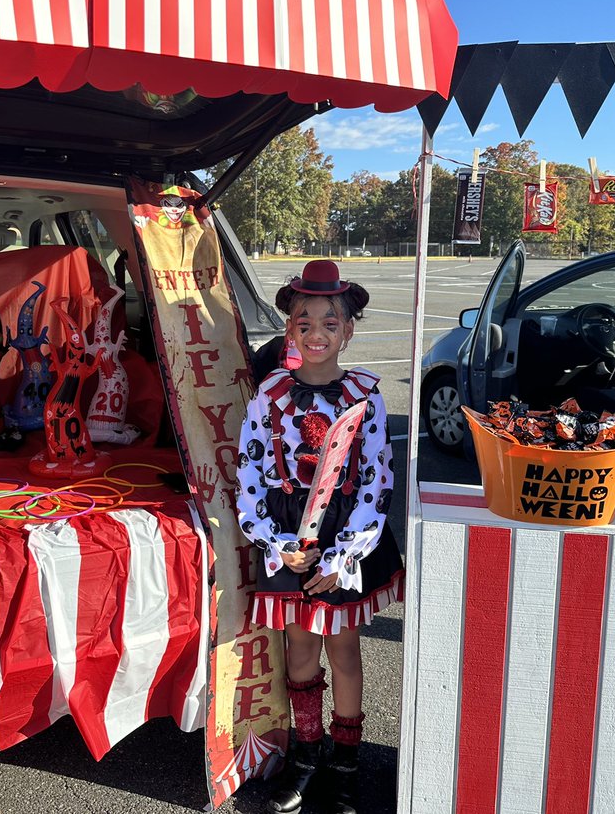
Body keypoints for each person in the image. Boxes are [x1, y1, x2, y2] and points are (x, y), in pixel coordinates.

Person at [236, 260, 403, 814]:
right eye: (303, 322)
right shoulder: (268, 398)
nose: (316, 333)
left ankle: (347, 766)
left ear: (347, 331)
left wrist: (344, 554)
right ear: (290, 329)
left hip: (343, 536)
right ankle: (306, 756)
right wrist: (273, 541)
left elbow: (377, 480)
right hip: (288, 536)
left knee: (344, 651)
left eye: (330, 323)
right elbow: (251, 473)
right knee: (300, 649)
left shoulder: (365, 398)